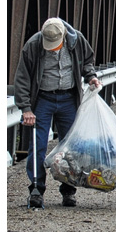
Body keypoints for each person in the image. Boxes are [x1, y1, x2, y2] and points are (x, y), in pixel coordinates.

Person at [13, 17, 100, 209]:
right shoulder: (34, 44)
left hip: (69, 98)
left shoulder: (77, 40)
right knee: (38, 144)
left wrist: (91, 77)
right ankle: (36, 189)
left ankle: (68, 190)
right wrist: (26, 108)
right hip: (43, 98)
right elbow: (22, 77)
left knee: (71, 146)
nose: (50, 47)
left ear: (63, 36)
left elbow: (87, 61)